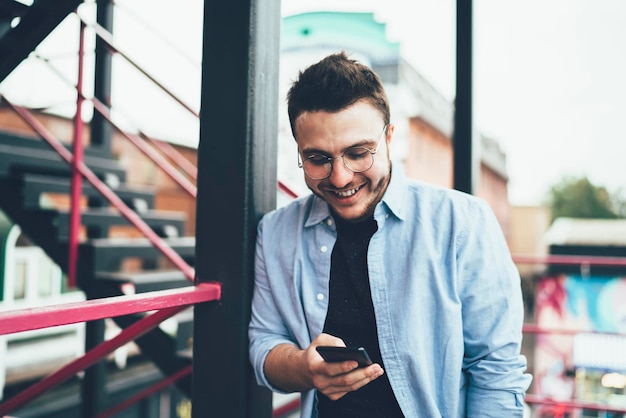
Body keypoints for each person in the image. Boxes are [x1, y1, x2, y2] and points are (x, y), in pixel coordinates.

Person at [248, 51, 531, 417]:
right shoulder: (275, 232)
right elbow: (262, 344)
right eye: (318, 158)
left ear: (390, 138)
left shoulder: (463, 222)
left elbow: (496, 373)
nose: (341, 177)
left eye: (358, 152)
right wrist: (304, 367)